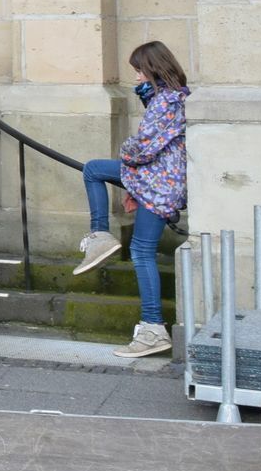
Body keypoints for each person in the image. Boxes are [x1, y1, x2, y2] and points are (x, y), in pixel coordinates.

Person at [75, 40, 189, 360]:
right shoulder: (172, 98)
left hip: (158, 184)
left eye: (139, 70)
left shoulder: (167, 101)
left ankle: (100, 236)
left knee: (93, 170)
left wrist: (125, 152)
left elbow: (142, 147)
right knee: (142, 251)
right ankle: (152, 328)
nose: (136, 77)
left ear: (154, 68)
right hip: (159, 183)